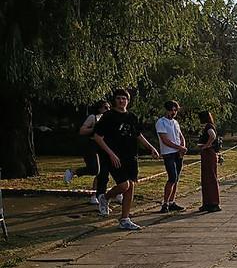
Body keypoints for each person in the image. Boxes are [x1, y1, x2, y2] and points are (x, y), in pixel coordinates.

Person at [93, 88, 160, 230]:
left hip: (130, 156)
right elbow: (98, 137)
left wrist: (151, 148)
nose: (121, 101)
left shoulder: (132, 117)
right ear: (114, 100)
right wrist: (111, 154)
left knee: (131, 186)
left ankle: (125, 218)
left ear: (128, 101)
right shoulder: (108, 116)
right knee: (124, 185)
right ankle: (105, 197)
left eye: (124, 98)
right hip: (114, 156)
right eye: (118, 98)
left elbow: (138, 135)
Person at [65, 100, 110, 205]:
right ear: (100, 108)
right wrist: (95, 128)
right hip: (92, 146)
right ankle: (73, 171)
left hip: (104, 146)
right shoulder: (93, 117)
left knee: (103, 173)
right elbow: (82, 130)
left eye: (109, 107)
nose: (108, 109)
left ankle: (96, 196)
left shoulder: (109, 119)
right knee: (95, 169)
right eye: (105, 107)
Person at [155, 100, 187, 213]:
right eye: (171, 110)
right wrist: (179, 147)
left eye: (175, 110)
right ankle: (165, 203)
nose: (173, 112)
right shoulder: (161, 122)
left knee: (176, 178)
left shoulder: (175, 122)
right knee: (172, 177)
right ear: (166, 110)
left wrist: (182, 147)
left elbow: (181, 136)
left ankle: (172, 201)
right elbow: (165, 140)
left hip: (178, 153)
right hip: (168, 153)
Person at [197, 111, 221, 212]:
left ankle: (214, 202)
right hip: (207, 153)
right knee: (205, 178)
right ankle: (207, 202)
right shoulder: (208, 126)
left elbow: (213, 136)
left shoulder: (208, 126)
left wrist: (206, 145)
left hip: (209, 153)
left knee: (210, 177)